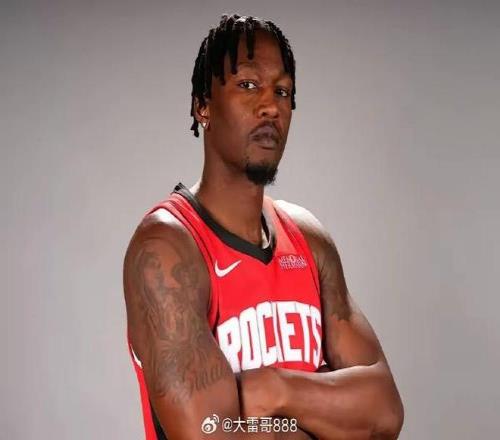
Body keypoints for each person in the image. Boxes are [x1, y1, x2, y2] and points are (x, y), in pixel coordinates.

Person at [123, 13, 404, 440]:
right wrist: (328, 415)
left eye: (282, 91)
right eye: (248, 85)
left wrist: (272, 388)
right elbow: (213, 434)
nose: (271, 106)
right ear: (203, 106)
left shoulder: (308, 240)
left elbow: (384, 414)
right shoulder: (166, 249)